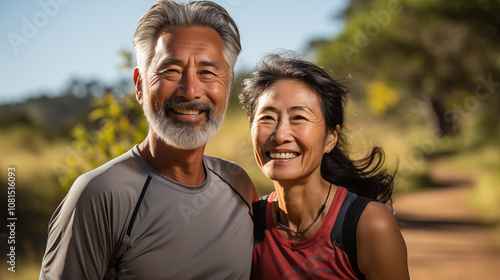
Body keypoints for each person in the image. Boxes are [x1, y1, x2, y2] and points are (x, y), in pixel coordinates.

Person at [39, 1, 257, 279]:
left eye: (207, 72)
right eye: (171, 71)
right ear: (140, 85)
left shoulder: (238, 185)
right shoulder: (98, 195)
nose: (190, 91)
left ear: (227, 85)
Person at [239, 53, 410, 280]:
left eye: (298, 117)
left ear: (331, 138)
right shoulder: (246, 224)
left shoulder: (369, 225)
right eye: (267, 118)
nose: (279, 135)